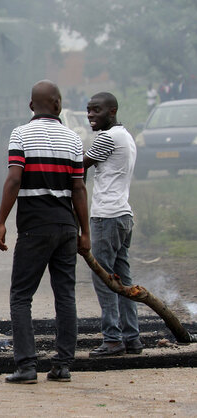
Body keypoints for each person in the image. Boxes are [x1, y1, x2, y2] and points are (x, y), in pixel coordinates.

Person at [0, 80, 90, 384]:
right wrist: (84, 231)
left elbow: (13, 180)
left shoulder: (20, 134)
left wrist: (1, 222)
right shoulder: (74, 139)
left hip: (35, 226)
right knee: (65, 295)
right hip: (65, 226)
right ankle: (62, 365)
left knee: (21, 296)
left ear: (31, 105)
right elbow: (79, 188)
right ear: (59, 104)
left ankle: (26, 366)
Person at [83, 92, 142, 357]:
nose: (91, 115)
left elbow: (79, 166)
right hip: (123, 216)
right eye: (89, 110)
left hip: (107, 216)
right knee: (123, 280)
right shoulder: (126, 136)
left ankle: (112, 339)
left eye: (96, 110)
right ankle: (132, 338)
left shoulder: (108, 138)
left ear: (112, 111)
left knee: (104, 279)